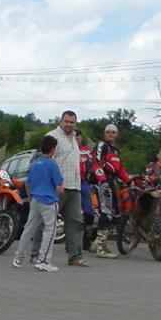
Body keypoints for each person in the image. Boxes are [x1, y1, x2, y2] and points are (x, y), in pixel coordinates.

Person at [34, 110, 89, 267]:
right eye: (66, 121)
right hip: (56, 187)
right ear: (60, 121)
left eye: (72, 122)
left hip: (74, 187)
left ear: (75, 124)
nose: (69, 124)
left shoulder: (74, 140)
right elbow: (44, 161)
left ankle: (75, 257)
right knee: (46, 221)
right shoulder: (52, 137)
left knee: (76, 222)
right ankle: (36, 253)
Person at [12, 135, 64, 272]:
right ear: (53, 149)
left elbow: (27, 183)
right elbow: (59, 184)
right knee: (50, 230)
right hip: (49, 200)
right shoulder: (52, 164)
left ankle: (18, 257)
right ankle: (43, 260)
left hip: (35, 200)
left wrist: (31, 198)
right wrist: (60, 189)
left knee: (29, 229)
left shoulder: (35, 163)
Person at [91, 123, 131, 259]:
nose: (110, 134)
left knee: (116, 216)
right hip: (103, 184)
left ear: (116, 135)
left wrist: (130, 182)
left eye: (113, 132)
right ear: (104, 133)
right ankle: (101, 248)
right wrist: (102, 180)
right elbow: (95, 164)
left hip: (112, 183)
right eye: (108, 132)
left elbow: (119, 170)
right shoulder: (102, 146)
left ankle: (97, 243)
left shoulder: (115, 150)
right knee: (106, 214)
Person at [76, 129, 96, 249]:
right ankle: (70, 242)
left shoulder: (87, 151)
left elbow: (94, 165)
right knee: (72, 213)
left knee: (89, 212)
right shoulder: (68, 150)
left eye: (78, 138)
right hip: (70, 183)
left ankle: (87, 240)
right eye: (74, 138)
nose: (76, 140)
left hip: (84, 183)